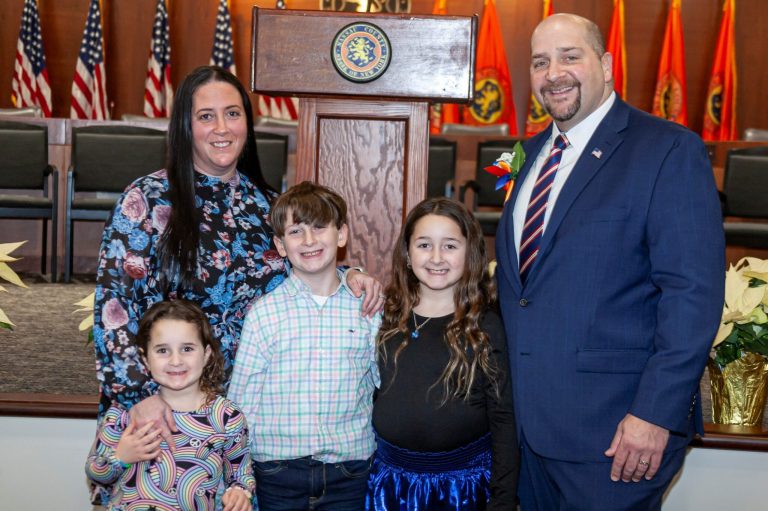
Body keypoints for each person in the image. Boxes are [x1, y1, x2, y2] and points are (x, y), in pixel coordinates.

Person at [493, 13, 725, 510]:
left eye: (569, 56)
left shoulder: (667, 150)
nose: (553, 72)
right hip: (527, 434)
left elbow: (693, 295)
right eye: (540, 62)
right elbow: (522, 287)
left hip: (615, 436)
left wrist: (655, 415)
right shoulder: (526, 155)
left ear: (606, 64)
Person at [92, 65, 382, 428]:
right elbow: (113, 306)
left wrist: (348, 274)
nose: (222, 128)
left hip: (248, 415)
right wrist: (138, 396)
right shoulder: (146, 201)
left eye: (232, 113)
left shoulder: (267, 205)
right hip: (164, 406)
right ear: (185, 126)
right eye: (205, 116)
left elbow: (300, 269)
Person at [228, 181, 381, 510]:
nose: (309, 240)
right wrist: (238, 474)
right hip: (278, 472)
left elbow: (384, 382)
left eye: (319, 228)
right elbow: (242, 401)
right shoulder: (265, 314)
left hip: (350, 470)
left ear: (341, 235)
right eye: (296, 231)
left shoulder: (366, 308)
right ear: (280, 245)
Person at [366, 198, 518, 510]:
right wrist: (352, 272)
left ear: (470, 252)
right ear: (407, 253)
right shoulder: (385, 315)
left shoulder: (486, 324)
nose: (436, 257)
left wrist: (502, 500)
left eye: (449, 246)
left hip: (462, 488)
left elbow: (504, 419)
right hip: (389, 486)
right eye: (424, 245)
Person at [86, 299, 254, 511]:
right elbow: (95, 472)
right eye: (163, 350)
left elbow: (240, 475)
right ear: (145, 359)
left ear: (206, 354)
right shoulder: (126, 410)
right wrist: (121, 457)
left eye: (187, 348)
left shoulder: (226, 415)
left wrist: (239, 492)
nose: (176, 360)